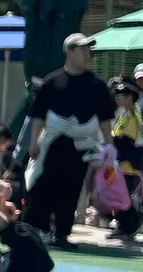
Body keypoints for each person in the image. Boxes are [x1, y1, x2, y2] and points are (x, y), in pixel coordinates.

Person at [23, 33, 115, 246]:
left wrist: (109, 145)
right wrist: (33, 141)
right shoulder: (51, 81)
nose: (87, 53)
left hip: (81, 146)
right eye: (82, 49)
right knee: (44, 186)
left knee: (71, 188)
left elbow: (104, 118)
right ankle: (40, 229)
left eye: (89, 49)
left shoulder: (96, 85)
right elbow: (38, 115)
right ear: (69, 51)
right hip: (53, 144)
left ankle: (62, 233)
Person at [104, 79, 143, 244]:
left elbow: (125, 141)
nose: (117, 98)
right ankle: (123, 226)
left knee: (122, 196)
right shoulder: (126, 114)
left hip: (127, 163)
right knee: (120, 196)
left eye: (121, 95)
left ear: (130, 98)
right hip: (122, 162)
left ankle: (133, 223)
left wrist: (112, 145)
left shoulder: (132, 117)